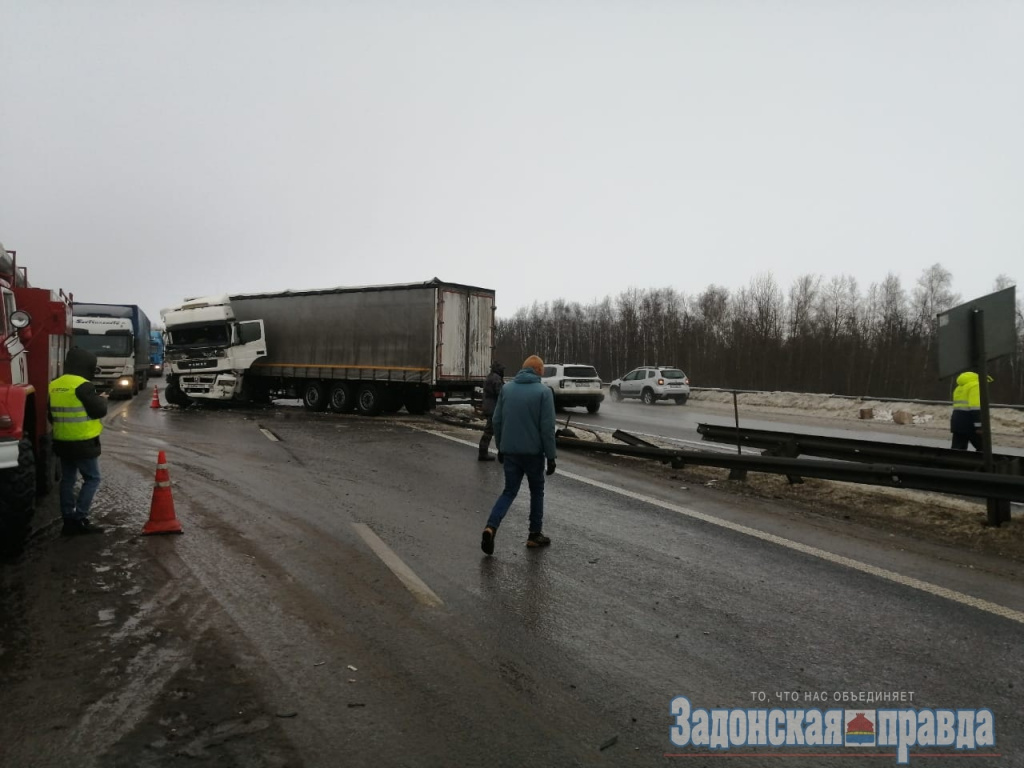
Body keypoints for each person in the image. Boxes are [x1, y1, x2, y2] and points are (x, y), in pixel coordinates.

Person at [480, 354, 557, 554]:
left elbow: (497, 421)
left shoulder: (507, 389)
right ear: (539, 371)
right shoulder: (544, 392)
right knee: (536, 491)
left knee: (509, 491)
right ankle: (534, 534)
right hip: (533, 454)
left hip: (511, 452)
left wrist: (501, 447)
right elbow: (547, 428)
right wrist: (551, 456)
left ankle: (491, 526)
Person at [49, 347, 108, 535]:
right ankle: (80, 518)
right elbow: (99, 411)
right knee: (92, 478)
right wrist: (102, 399)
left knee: (67, 479)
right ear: (87, 365)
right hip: (83, 442)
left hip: (62, 440)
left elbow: (51, 415)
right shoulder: (84, 386)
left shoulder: (54, 384)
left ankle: (68, 519)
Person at [949, 370, 986, 451]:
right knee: (984, 449)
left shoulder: (959, 387)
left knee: (957, 451)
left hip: (957, 422)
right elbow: (975, 407)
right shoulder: (975, 385)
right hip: (970, 423)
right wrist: (979, 426)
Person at [477, 360, 506, 461]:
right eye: (502, 369)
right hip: (494, 408)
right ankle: (484, 453)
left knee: (491, 430)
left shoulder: (491, 376)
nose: (503, 371)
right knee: (492, 431)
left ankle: (484, 452)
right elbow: (501, 393)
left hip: (489, 406)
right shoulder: (496, 378)